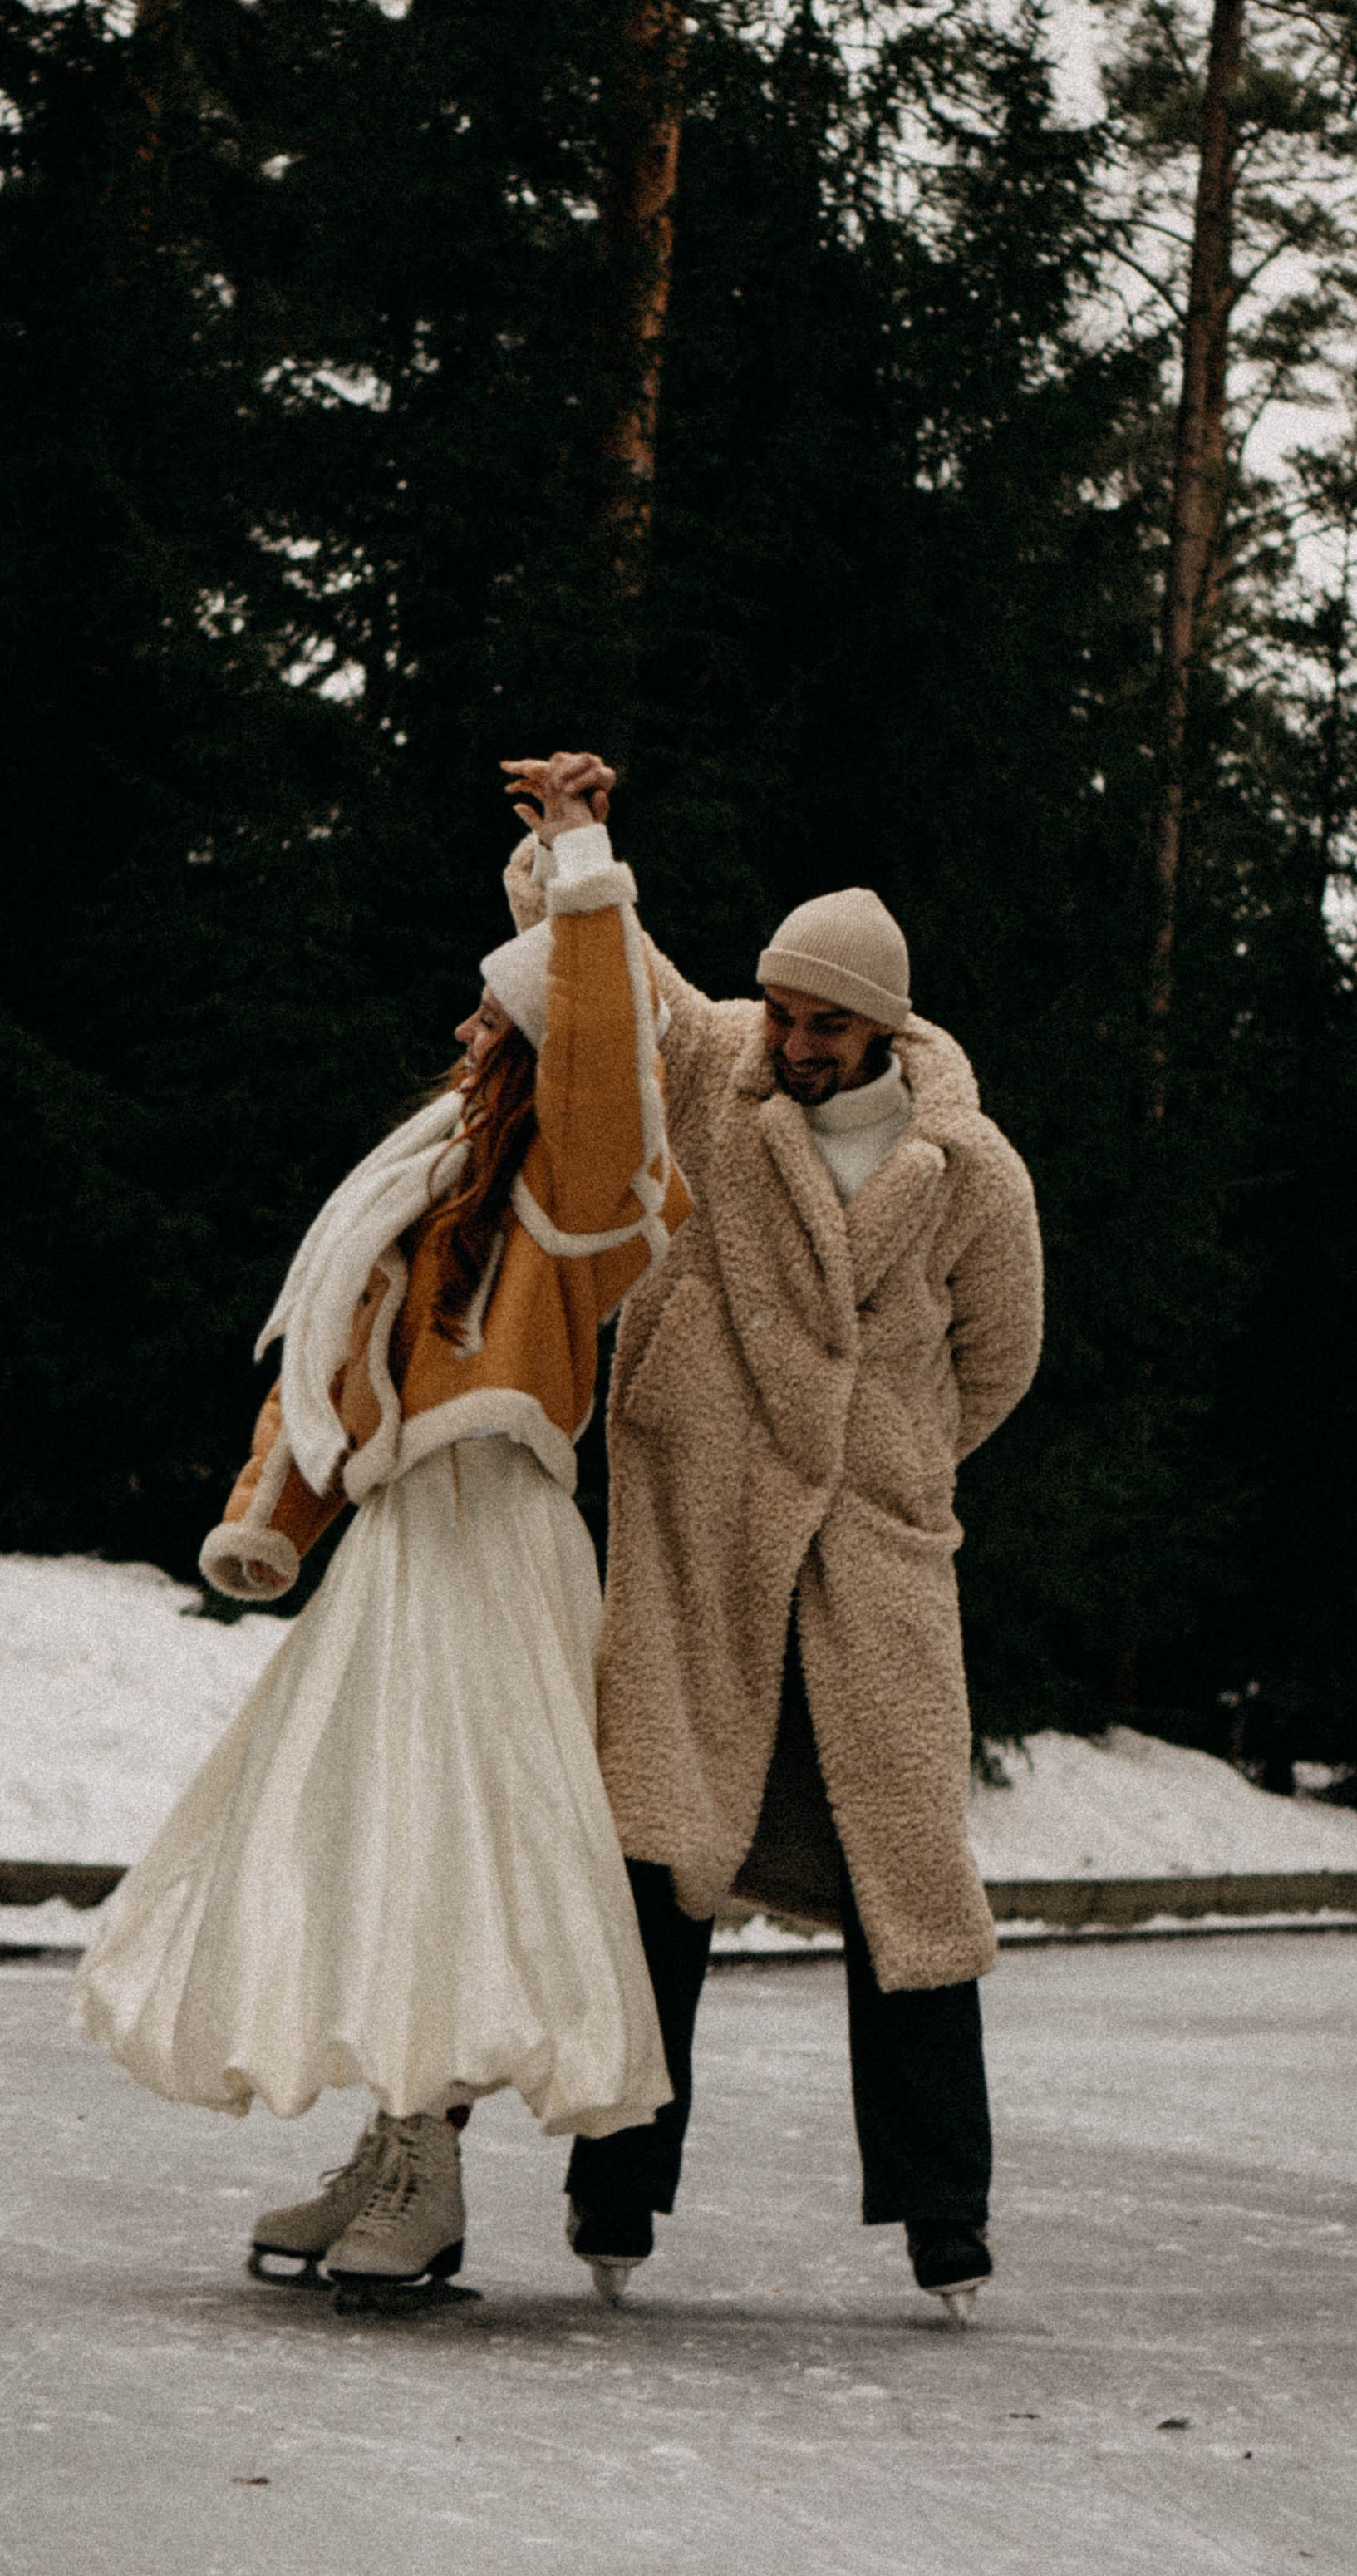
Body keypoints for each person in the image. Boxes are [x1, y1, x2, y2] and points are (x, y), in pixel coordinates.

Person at [72, 753, 688, 2307]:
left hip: (496, 1543)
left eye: (497, 1017)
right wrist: (270, 1516)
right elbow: (333, 1352)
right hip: (410, 1542)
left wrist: (583, 856)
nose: (467, 1030)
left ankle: (428, 2154)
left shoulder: (576, 1187)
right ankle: (396, 2142)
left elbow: (613, 1053)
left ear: (542, 1055)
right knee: (374, 1837)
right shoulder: (422, 1183)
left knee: (461, 1844)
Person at [497, 769, 1043, 2323]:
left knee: (910, 1887)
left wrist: (890, 1469)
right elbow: (601, 957)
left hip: (872, 1565)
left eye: (827, 1027)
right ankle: (616, 2199)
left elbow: (997, 1362)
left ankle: (948, 2225)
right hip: (700, 1538)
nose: (796, 1044)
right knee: (660, 1860)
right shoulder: (719, 1067)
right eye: (785, 1013)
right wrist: (569, 839)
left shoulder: (974, 1172)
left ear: (885, 1030)